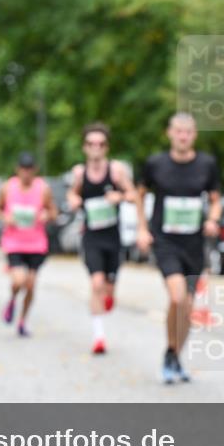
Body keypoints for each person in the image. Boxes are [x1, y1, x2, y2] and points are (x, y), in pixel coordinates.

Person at [136, 113, 221, 384]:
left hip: (194, 244)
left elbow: (216, 200)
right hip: (165, 241)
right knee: (177, 297)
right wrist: (141, 228)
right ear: (169, 133)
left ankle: (174, 355)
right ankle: (171, 354)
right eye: (178, 131)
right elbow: (139, 195)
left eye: (188, 131)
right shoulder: (155, 164)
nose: (183, 136)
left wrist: (213, 219)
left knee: (188, 307)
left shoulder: (206, 164)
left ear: (194, 135)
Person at [66, 122, 137, 355]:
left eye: (100, 144)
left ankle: (109, 295)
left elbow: (134, 194)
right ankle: (99, 337)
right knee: (96, 284)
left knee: (108, 288)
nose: (95, 148)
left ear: (106, 147)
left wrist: (121, 196)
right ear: (84, 147)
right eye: (91, 144)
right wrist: (73, 200)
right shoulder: (79, 173)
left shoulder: (116, 171)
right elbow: (72, 193)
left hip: (113, 237)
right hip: (92, 237)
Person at [0, 152, 58, 337]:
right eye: (23, 169)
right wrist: (5, 217)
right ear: (18, 170)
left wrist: (47, 215)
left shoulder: (43, 188)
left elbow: (53, 211)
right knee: (18, 280)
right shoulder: (7, 187)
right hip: (14, 242)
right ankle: (12, 299)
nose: (26, 173)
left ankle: (22, 321)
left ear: (34, 170)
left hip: (36, 243)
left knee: (30, 285)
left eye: (30, 169)